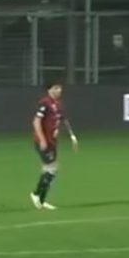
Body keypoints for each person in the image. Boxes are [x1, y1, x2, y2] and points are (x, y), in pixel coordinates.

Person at [30, 82, 78, 210]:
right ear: (49, 90)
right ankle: (36, 194)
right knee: (52, 168)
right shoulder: (44, 103)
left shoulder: (58, 104)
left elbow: (63, 119)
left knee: (48, 170)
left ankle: (41, 200)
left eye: (60, 87)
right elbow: (36, 121)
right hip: (43, 141)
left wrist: (72, 135)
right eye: (56, 88)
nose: (59, 90)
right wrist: (42, 140)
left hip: (52, 141)